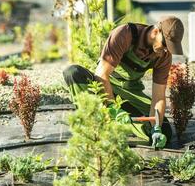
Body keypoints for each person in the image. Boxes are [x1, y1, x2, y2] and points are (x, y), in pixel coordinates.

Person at [63, 16, 185, 148]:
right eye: (165, 45)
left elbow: (159, 97)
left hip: (130, 95)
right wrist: (114, 109)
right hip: (104, 87)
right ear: (155, 32)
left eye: (170, 48)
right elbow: (101, 74)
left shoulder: (164, 56)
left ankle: (120, 126)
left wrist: (156, 128)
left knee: (165, 129)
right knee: (72, 72)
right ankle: (93, 128)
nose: (166, 51)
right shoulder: (124, 34)